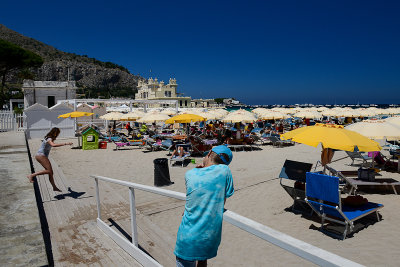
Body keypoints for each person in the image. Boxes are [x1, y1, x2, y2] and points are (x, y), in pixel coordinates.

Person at [174, 145, 234, 267]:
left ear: (209, 153)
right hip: (208, 239)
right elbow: (223, 197)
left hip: (187, 237)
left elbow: (196, 196)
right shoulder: (225, 171)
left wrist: (198, 168)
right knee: (202, 260)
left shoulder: (190, 174)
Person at [27, 127, 73, 191]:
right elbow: (53, 145)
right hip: (41, 156)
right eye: (57, 133)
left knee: (50, 172)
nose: (57, 135)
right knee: (49, 171)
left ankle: (54, 187)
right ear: (54, 133)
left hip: (40, 156)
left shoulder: (48, 138)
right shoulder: (49, 138)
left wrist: (69, 190)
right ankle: (32, 175)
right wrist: (66, 143)